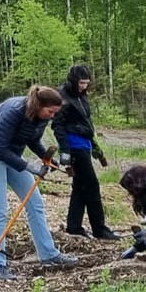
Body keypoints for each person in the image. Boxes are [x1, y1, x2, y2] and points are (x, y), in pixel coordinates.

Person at [0, 86, 80, 282]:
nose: (53, 116)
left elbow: (32, 140)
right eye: (51, 112)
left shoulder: (42, 116)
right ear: (39, 105)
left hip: (11, 155)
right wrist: (29, 166)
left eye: (56, 113)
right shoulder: (13, 111)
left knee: (35, 203)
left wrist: (46, 159)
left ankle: (48, 254)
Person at [53, 64, 117, 241]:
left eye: (87, 83)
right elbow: (57, 126)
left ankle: (74, 226)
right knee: (92, 186)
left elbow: (87, 124)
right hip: (74, 147)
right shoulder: (62, 97)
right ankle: (100, 229)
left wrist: (96, 148)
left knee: (80, 188)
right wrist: (65, 151)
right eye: (81, 83)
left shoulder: (82, 97)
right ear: (73, 80)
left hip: (85, 145)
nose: (84, 86)